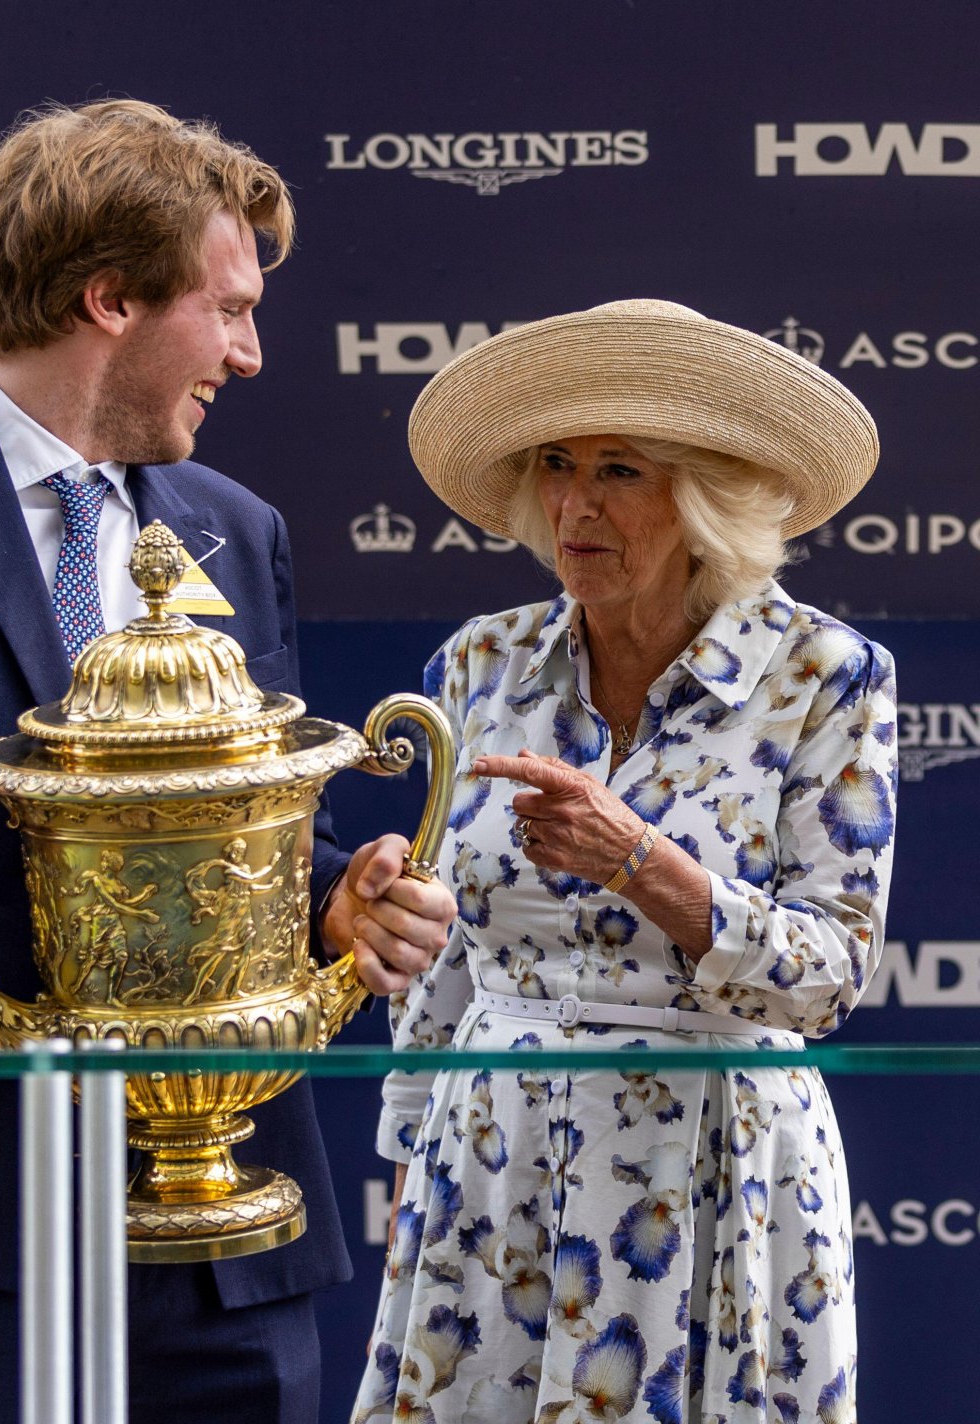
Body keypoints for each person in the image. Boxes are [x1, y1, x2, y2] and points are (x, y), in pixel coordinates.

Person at [0, 99, 454, 1424]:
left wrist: (335, 894)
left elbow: (239, 831)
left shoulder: (235, 526)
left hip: (229, 1231)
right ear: (109, 300)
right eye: (230, 307)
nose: (251, 354)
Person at [351, 300, 895, 1423]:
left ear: (705, 498)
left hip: (711, 1168)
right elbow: (448, 946)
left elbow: (833, 970)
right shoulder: (483, 660)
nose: (574, 504)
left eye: (620, 470)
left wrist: (643, 861)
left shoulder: (826, 674)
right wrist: (414, 1146)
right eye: (555, 463)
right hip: (489, 1164)